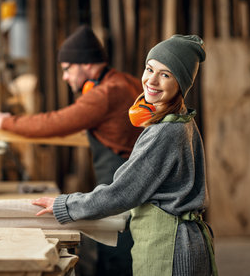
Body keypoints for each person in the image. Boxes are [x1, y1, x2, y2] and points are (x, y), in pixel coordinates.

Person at [32, 34, 219, 276]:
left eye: (165, 74)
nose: (151, 80)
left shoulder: (164, 132)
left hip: (169, 247)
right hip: (178, 241)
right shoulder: (183, 120)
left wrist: (64, 204)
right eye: (150, 69)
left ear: (180, 84)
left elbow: (122, 192)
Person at [0, 25, 143, 276]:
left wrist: (4, 122)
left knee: (118, 256)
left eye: (67, 69)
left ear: (86, 64)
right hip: (133, 186)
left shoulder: (104, 94)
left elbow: (54, 123)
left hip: (120, 191)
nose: (64, 77)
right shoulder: (126, 82)